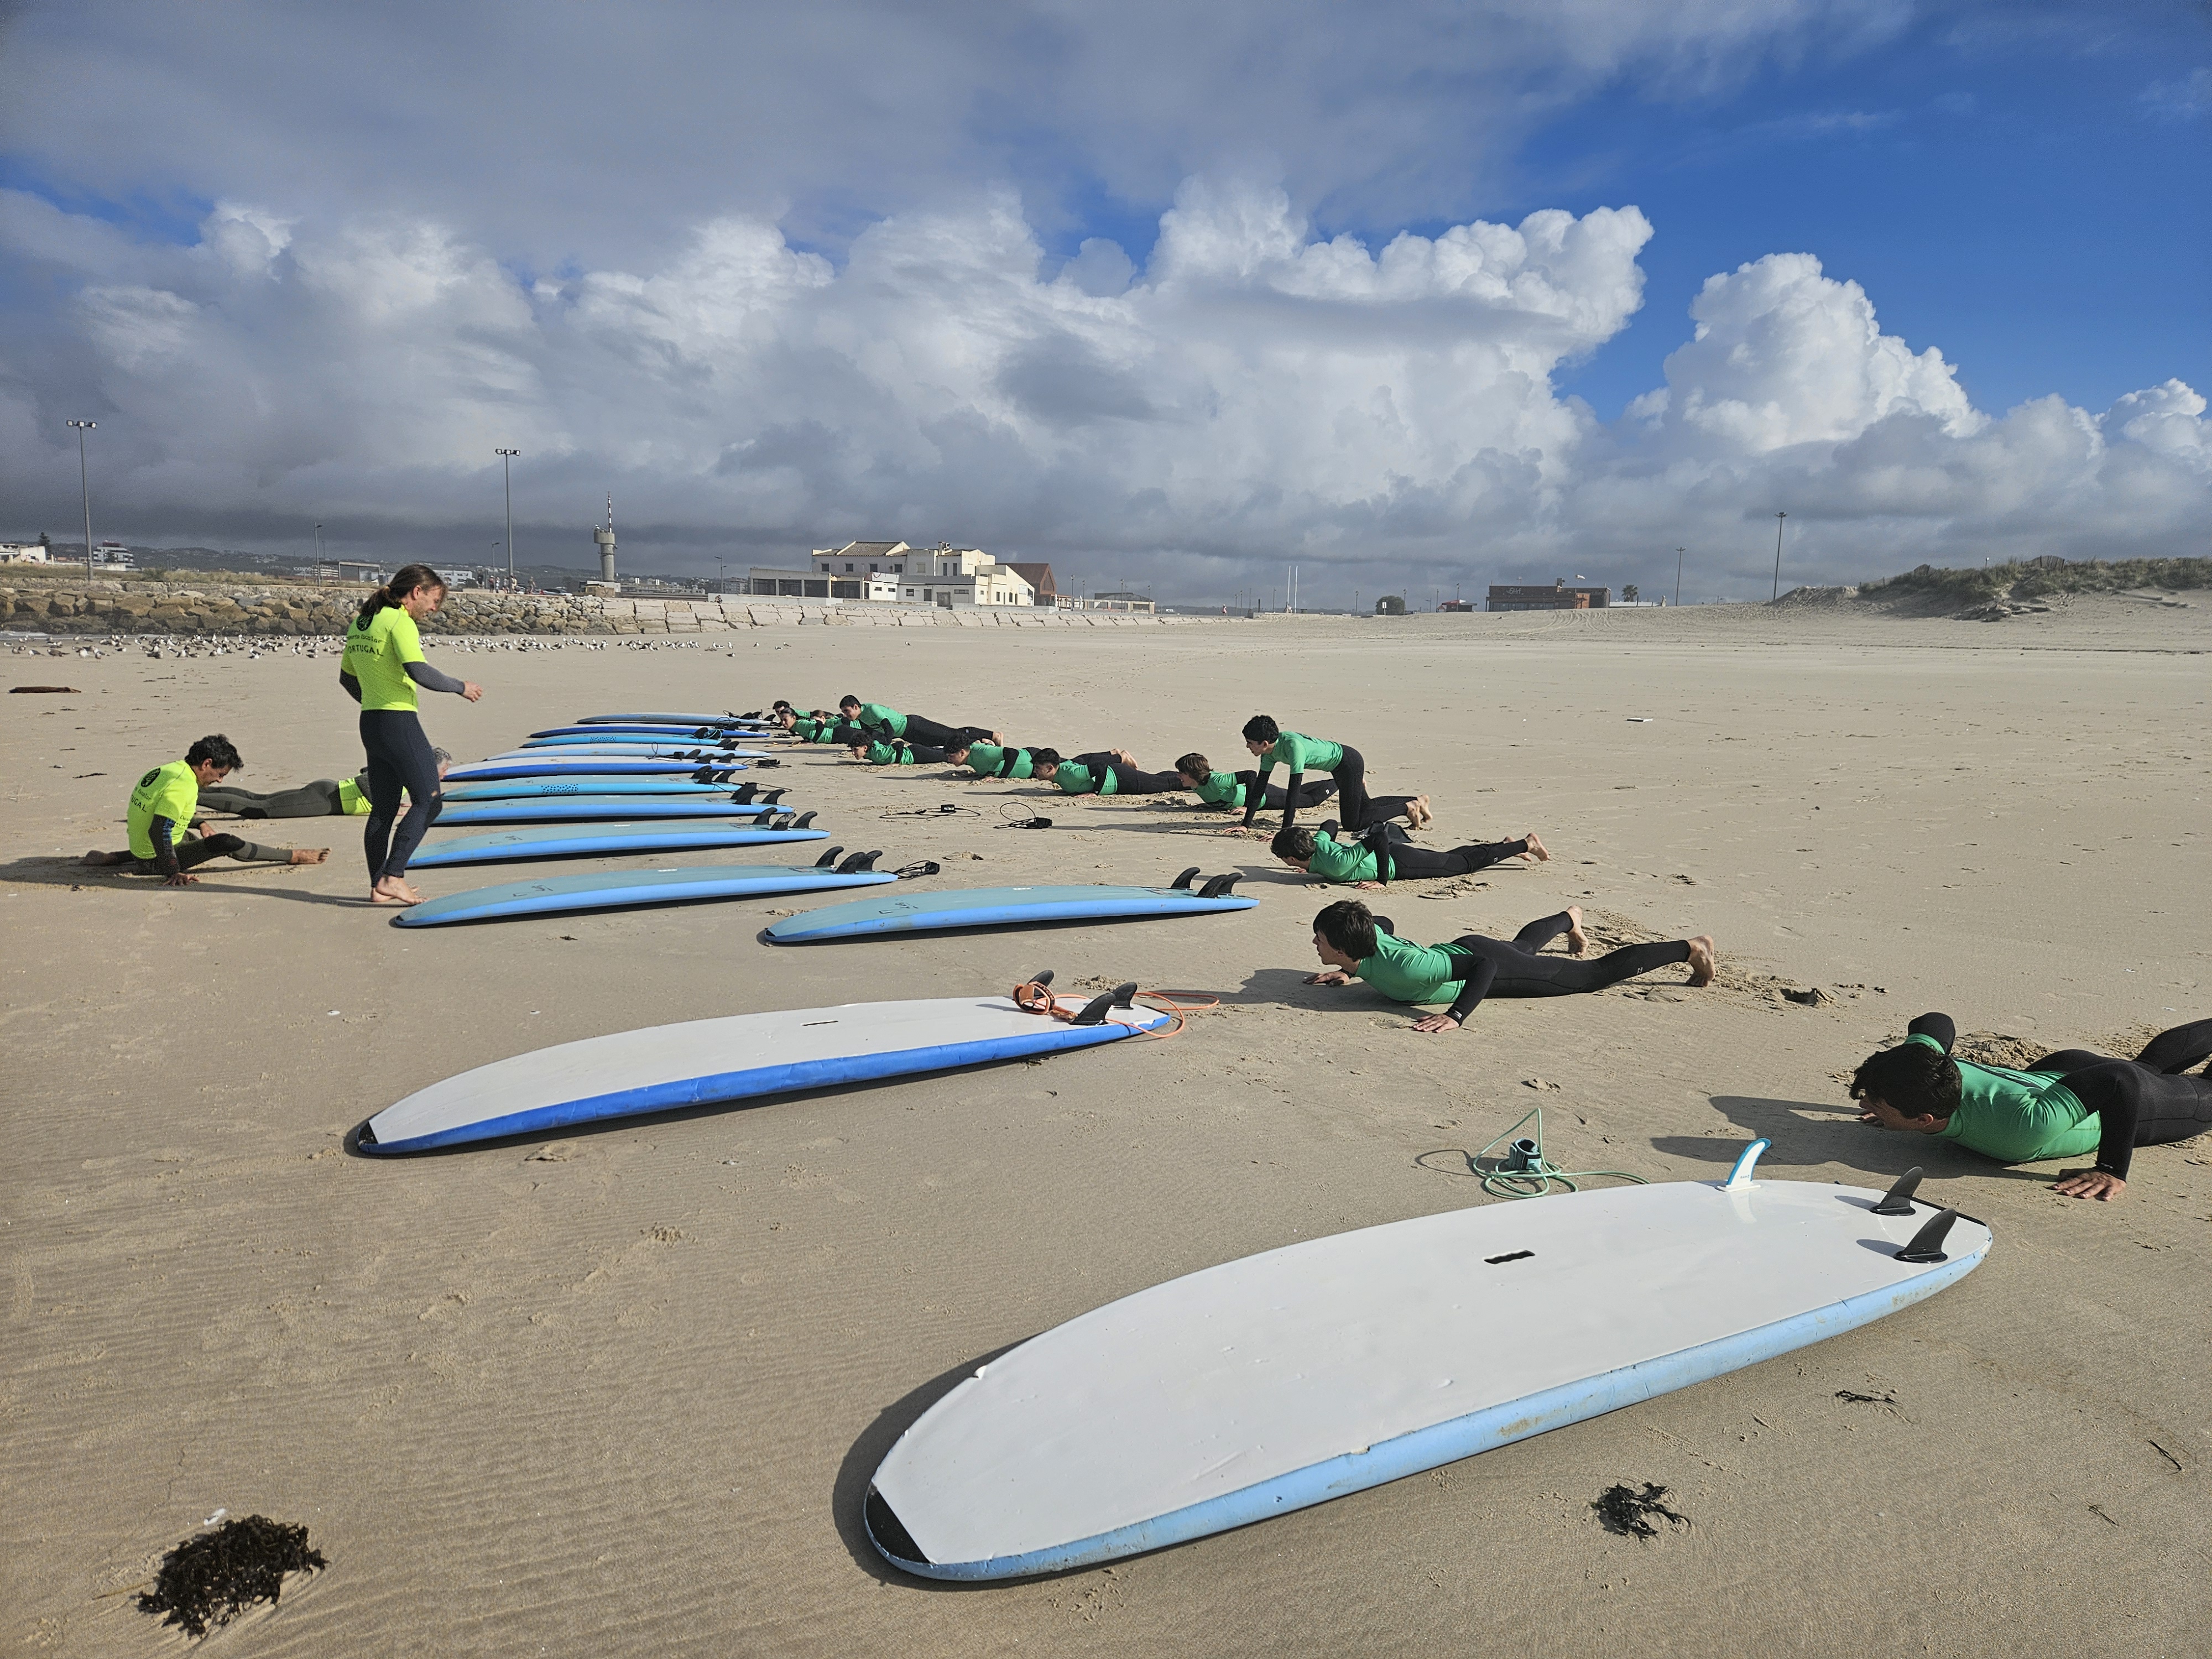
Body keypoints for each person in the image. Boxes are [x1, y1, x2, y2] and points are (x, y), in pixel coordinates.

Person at [1850, 1013, 2212, 1202]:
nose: (1864, 1104)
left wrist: (2111, 1168)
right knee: (2146, 1069)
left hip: (2117, 1105)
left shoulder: (2018, 1130)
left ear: (1925, 1118)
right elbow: (1935, 1022)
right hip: (2062, 1073)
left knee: (2189, 1091)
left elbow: (2118, 1082)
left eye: (1876, 1102)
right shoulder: (1926, 1065)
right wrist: (1894, 1108)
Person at [1303, 899, 1715, 1033]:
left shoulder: (1409, 969)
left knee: (1593, 976)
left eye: (1320, 939)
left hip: (1486, 965)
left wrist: (1455, 1015)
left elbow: (1483, 965)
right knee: (1523, 946)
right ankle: (1570, 918)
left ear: (1341, 946)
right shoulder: (1366, 942)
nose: (1315, 943)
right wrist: (1350, 971)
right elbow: (1383, 923)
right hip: (1460, 950)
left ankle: (1690, 948)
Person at [338, 563, 483, 906]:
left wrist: (375, 700)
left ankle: (377, 886)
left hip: (371, 723)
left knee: (384, 809)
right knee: (429, 801)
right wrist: (460, 686)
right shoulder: (399, 620)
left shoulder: (362, 622)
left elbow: (347, 679)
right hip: (398, 723)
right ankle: (393, 876)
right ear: (416, 593)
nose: (434, 609)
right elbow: (417, 669)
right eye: (433, 600)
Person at [82, 734, 328, 882]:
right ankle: (293, 856)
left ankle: (114, 857)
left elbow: (163, 814)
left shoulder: (169, 770)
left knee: (189, 836)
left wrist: (201, 823)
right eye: (220, 774)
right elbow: (159, 830)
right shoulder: (185, 786)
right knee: (225, 842)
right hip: (153, 860)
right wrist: (173, 872)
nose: (220, 781)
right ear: (207, 763)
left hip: (142, 846)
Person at [1274, 823, 1548, 888]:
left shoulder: (1336, 863)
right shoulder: (1317, 844)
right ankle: (1503, 845)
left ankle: (1526, 844)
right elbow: (1330, 826)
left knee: (1461, 866)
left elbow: (1380, 835)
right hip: (1398, 855)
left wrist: (1381, 880)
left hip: (1402, 864)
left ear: (1292, 859)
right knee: (1449, 857)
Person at [197, 750, 451, 818]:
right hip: (326, 799)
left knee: (257, 798)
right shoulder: (407, 774)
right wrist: (388, 804)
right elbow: (366, 780)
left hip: (328, 793)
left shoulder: (407, 774)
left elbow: (367, 770)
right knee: (259, 810)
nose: (444, 776)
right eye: (444, 770)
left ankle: (198, 792)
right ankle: (195, 796)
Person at [1238, 716, 1384, 833]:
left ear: (1264, 743)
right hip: (1338, 768)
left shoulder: (1293, 747)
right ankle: (1406, 803)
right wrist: (1245, 825)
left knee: (1353, 824)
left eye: (1250, 743)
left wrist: (1285, 832)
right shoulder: (1268, 754)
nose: (1247, 746)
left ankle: (1406, 807)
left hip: (1349, 763)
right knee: (1367, 807)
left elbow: (1293, 795)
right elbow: (1259, 789)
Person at [1173, 752, 1340, 815]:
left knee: (1309, 801)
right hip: (1264, 796)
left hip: (1266, 797)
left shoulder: (1217, 781)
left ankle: (1341, 781)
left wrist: (1248, 806)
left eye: (1182, 773)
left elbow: (1250, 775)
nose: (1178, 776)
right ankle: (1336, 780)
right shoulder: (1195, 784)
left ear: (1193, 774)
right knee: (1294, 792)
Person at [837, 696, 999, 751]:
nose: (846, 715)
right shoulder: (860, 718)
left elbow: (888, 727)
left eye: (847, 711)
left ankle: (992, 735)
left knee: (953, 734)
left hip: (914, 725)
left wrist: (887, 743)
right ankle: (980, 742)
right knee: (944, 743)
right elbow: (871, 734)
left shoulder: (872, 709)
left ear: (856, 707)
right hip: (909, 734)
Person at [1029, 748, 1183, 796]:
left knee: (1169, 785)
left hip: (1122, 779)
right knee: (1157, 780)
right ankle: (1185, 774)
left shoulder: (1071, 775)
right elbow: (1084, 760)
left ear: (1050, 768)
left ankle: (1195, 778)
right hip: (1118, 777)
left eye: (1038, 768)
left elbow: (1099, 767)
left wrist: (1095, 792)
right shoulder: (1061, 772)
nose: (1034, 771)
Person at [943, 739, 1041, 779]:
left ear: (962, 752)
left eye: (951, 756)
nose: (949, 760)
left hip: (1036, 760)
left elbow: (1012, 753)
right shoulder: (970, 756)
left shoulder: (983, 753)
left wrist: (1001, 778)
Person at [851, 737, 951, 766]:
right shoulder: (872, 749)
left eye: (856, 750)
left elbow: (899, 744)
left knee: (948, 757)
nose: (853, 753)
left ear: (865, 748)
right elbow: (876, 741)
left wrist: (897, 762)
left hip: (916, 756)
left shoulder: (878, 754)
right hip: (915, 751)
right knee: (943, 751)